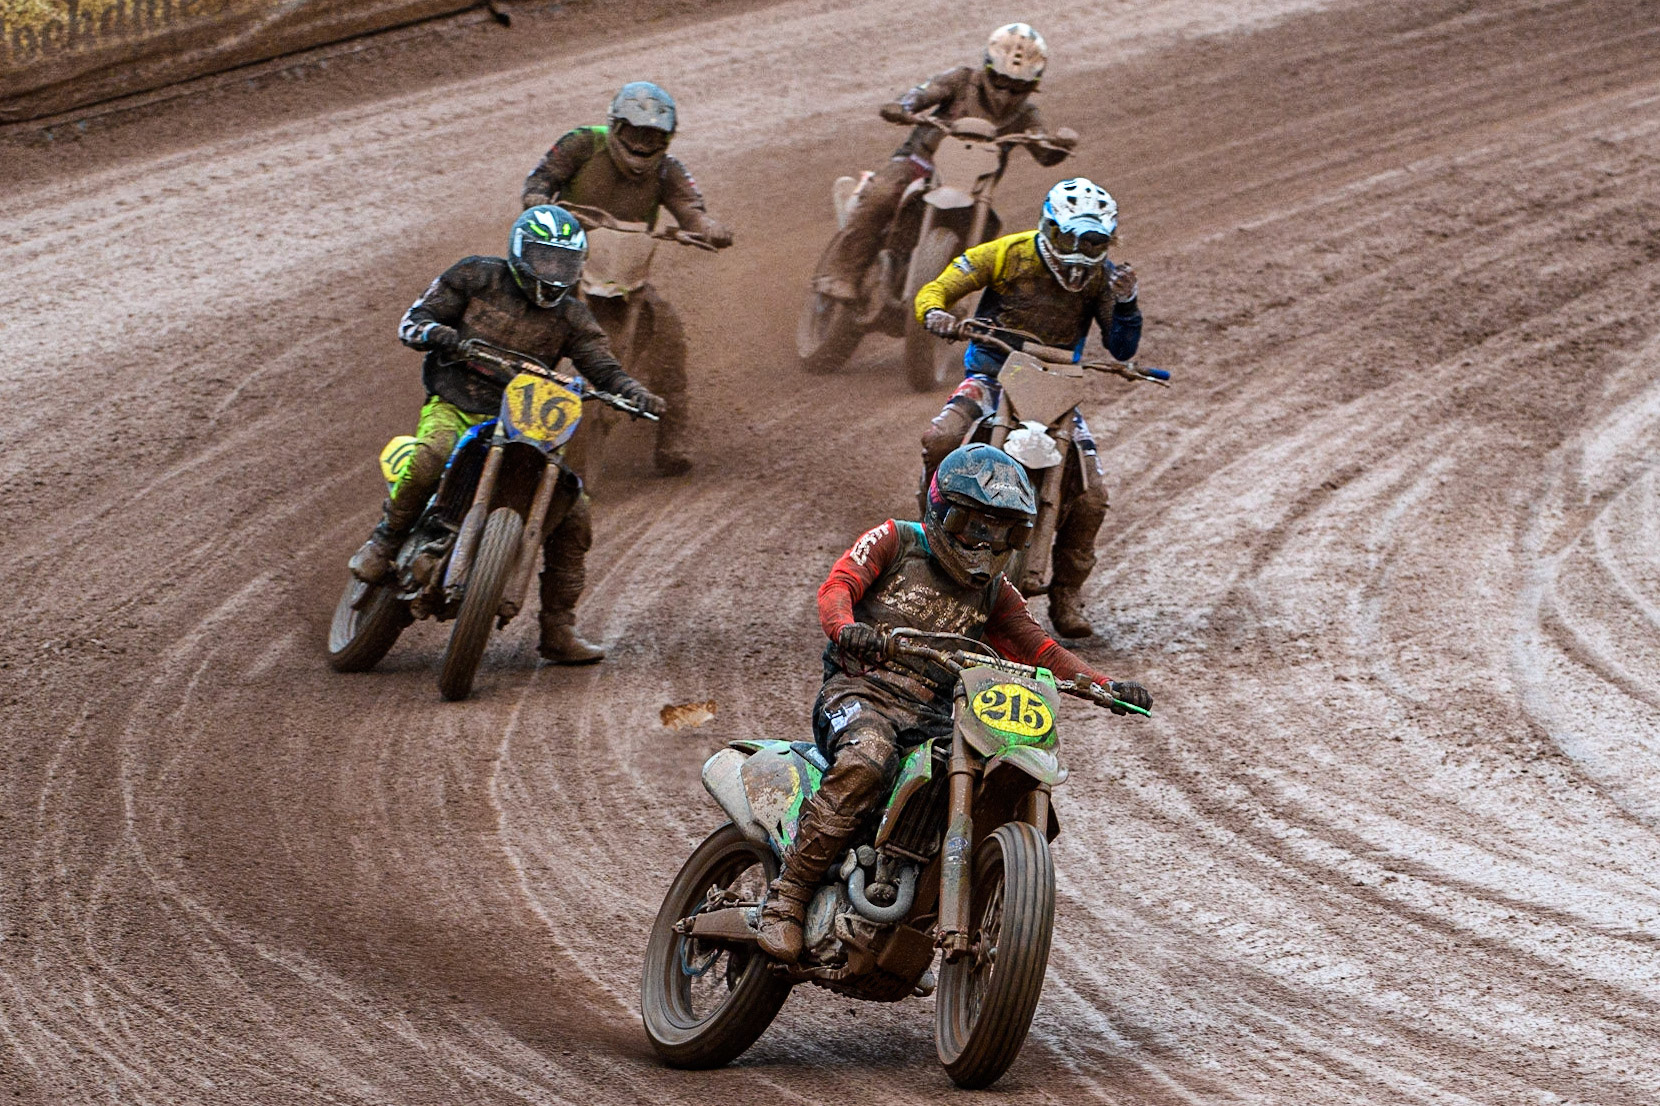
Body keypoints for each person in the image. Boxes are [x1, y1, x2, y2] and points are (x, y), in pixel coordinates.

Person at [755, 443, 1151, 963]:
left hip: (937, 716)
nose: (987, 545)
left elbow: (1040, 648)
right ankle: (787, 897)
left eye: (1005, 533)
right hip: (860, 691)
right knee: (868, 759)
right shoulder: (896, 540)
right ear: (942, 512)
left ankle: (927, 902)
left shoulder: (996, 593)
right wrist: (847, 628)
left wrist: (1104, 686)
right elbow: (839, 585)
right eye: (975, 527)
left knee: (986, 771)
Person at [347, 205, 665, 664]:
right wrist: (436, 333)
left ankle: (558, 628)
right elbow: (415, 319)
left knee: (575, 514)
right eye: (544, 258)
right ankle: (385, 541)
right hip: (456, 405)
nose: (553, 271)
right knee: (429, 456)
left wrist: (634, 393)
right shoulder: (475, 276)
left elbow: (603, 365)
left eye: (564, 262)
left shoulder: (573, 316)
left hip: (525, 423)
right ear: (519, 252)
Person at [913, 177, 1142, 639]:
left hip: (1057, 388)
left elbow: (1121, 347)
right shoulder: (1007, 253)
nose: (1078, 253)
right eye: (1069, 238)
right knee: (940, 439)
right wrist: (936, 312)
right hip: (992, 376)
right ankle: (927, 532)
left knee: (1092, 497)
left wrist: (1126, 302)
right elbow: (937, 288)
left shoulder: (1104, 278)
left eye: (1092, 242)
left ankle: (1066, 593)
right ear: (1049, 227)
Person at [521, 81, 733, 476]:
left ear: (665, 140)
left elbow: (691, 208)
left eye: (652, 137)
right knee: (519, 314)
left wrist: (708, 227)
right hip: (562, 256)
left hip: (622, 274)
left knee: (667, 333)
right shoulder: (583, 143)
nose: (641, 144)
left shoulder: (669, 170)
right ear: (617, 126)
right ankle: (488, 406)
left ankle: (671, 437)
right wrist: (537, 197)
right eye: (635, 133)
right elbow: (542, 176)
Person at [811, 22, 1074, 302]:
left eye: (1018, 85)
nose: (1006, 92)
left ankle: (954, 298)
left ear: (1032, 85)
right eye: (1000, 80)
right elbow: (925, 91)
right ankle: (841, 273)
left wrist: (1059, 146)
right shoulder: (961, 80)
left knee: (988, 233)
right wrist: (904, 106)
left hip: (972, 188)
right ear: (987, 68)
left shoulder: (1027, 114)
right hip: (918, 164)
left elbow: (1043, 151)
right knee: (883, 193)